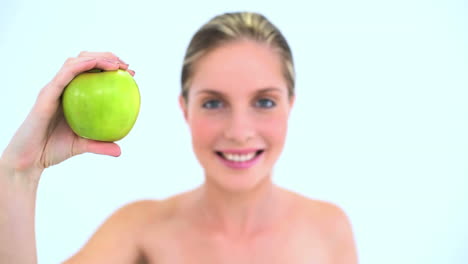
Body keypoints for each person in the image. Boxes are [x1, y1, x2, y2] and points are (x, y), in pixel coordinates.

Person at [0, 12, 358, 263]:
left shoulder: (329, 231)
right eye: (213, 102)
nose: (238, 131)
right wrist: (21, 170)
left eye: (264, 101)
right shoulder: (139, 230)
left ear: (291, 105)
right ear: (184, 108)